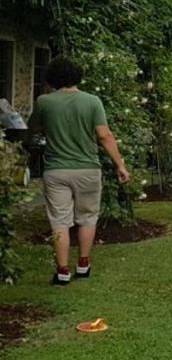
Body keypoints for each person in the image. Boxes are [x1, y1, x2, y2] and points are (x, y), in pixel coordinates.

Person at [28, 56, 129, 285]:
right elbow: (104, 135)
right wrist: (120, 165)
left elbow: (34, 129)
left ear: (52, 78)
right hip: (88, 169)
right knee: (87, 218)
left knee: (59, 221)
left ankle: (62, 270)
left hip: (56, 170)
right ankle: (83, 264)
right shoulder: (92, 101)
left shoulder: (44, 102)